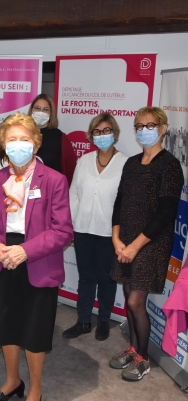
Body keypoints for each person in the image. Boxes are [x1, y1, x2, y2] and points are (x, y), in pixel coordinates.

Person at [0, 112, 73, 401]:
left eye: (24, 139)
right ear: (3, 144)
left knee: (34, 329)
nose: (18, 144)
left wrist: (24, 251)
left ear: (36, 143)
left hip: (38, 260)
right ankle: (12, 381)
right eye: (12, 139)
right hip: (3, 257)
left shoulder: (54, 180)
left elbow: (63, 232)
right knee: (6, 325)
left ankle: (34, 388)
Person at [109, 107, 183, 381]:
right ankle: (133, 348)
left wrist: (134, 247)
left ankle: (144, 359)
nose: (144, 130)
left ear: (163, 128)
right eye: (139, 126)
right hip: (125, 241)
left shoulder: (170, 165)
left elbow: (165, 214)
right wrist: (117, 239)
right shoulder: (131, 163)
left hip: (151, 244)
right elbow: (119, 202)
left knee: (136, 301)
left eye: (151, 125)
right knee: (128, 297)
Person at [63, 113, 128, 341]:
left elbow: (126, 203)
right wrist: (70, 224)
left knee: (107, 278)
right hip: (82, 229)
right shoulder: (84, 161)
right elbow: (73, 194)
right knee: (86, 277)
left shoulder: (126, 163)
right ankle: (83, 321)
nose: (102, 135)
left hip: (110, 234)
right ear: (92, 135)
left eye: (107, 130)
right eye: (98, 131)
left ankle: (103, 320)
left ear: (115, 133)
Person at [27, 94, 76, 185]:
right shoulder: (22, 133)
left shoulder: (60, 137)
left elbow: (69, 170)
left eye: (46, 109)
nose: (41, 112)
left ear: (51, 113)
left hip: (51, 189)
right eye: (37, 108)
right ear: (32, 110)